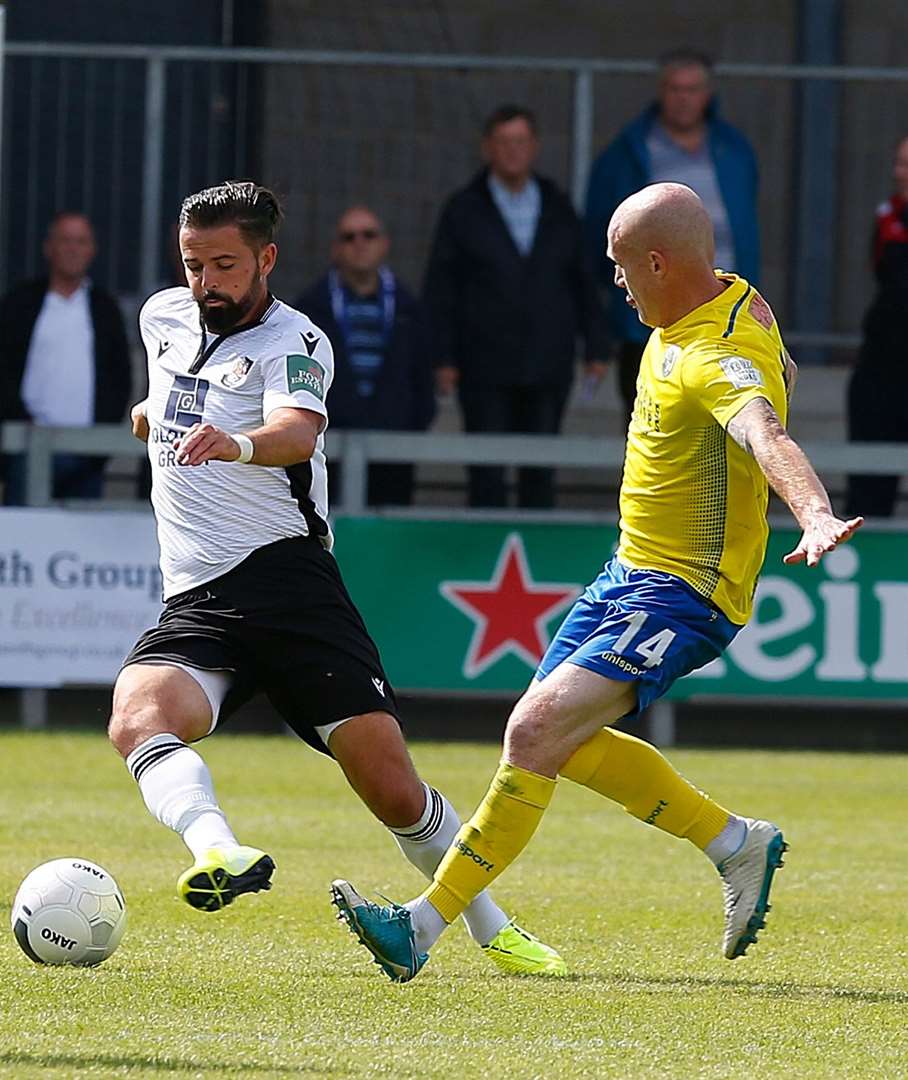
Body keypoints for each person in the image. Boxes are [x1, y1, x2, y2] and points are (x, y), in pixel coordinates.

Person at [332, 184, 864, 983]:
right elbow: (775, 358)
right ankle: (735, 844)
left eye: (621, 267)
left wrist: (815, 513)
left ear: (658, 262)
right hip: (627, 573)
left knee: (532, 733)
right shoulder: (734, 300)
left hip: (684, 590)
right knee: (562, 744)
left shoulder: (711, 358)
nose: (614, 281)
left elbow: (765, 429)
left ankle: (419, 929)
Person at [117, 180, 565, 978]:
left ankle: (494, 928)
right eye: (193, 264)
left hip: (289, 584)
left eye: (224, 264)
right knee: (139, 716)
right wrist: (149, 413)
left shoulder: (299, 340)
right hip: (197, 595)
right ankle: (219, 852)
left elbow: (294, 431)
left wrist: (238, 445)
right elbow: (173, 391)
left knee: (392, 789)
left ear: (267, 258)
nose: (206, 283)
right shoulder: (163, 316)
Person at [423, 105, 607, 509]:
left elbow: (582, 280)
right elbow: (441, 289)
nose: (513, 151)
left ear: (535, 147)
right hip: (483, 365)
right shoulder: (464, 209)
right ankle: (484, 556)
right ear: (488, 148)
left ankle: (534, 556)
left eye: (521, 142)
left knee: (540, 472)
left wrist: (596, 346)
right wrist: (443, 357)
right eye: (504, 142)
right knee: (486, 472)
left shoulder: (558, 207)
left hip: (547, 363)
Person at [587, 48, 761, 418]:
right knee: (653, 423)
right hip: (653, 313)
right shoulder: (627, 153)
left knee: (730, 416)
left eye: (693, 89)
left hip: (722, 310)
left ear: (708, 94)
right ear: (660, 92)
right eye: (674, 89)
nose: (683, 98)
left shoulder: (734, 150)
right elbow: (600, 233)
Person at [292, 204, 435, 507]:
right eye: (349, 237)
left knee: (392, 546)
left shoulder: (410, 309)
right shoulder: (308, 310)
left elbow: (423, 380)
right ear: (336, 249)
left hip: (395, 454)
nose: (359, 243)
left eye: (368, 235)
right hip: (328, 455)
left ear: (384, 244)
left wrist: (407, 427)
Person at [0, 211, 131, 503]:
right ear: (49, 247)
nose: (73, 249)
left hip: (87, 456)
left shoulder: (105, 309)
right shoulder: (20, 303)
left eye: (81, 241)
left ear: (92, 250)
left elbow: (120, 378)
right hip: (28, 449)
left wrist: (102, 442)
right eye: (65, 240)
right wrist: (18, 417)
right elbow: (0, 369)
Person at [846, 135, 908, 519]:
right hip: (884, 364)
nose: (901, 173)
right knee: (869, 486)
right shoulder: (887, 217)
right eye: (900, 163)